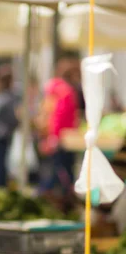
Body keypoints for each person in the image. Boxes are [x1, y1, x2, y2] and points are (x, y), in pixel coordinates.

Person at [37, 54, 80, 193]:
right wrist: (54, 137)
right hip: (61, 137)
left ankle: (48, 195)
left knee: (53, 171)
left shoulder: (53, 88)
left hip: (51, 135)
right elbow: (59, 117)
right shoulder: (65, 91)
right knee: (61, 172)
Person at [0, 64, 19, 187]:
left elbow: (12, 118)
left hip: (1, 134)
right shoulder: (7, 96)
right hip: (1, 133)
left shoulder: (7, 97)